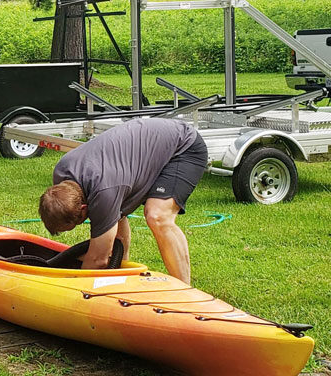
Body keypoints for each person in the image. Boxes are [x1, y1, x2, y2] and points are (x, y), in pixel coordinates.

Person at [38, 118, 208, 283]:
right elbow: (114, 220)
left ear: (83, 207)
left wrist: (75, 289)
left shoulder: (104, 189)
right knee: (112, 219)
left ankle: (183, 291)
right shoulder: (62, 174)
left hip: (183, 147)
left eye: (79, 221)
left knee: (157, 216)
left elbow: (99, 259)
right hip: (148, 144)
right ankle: (121, 276)